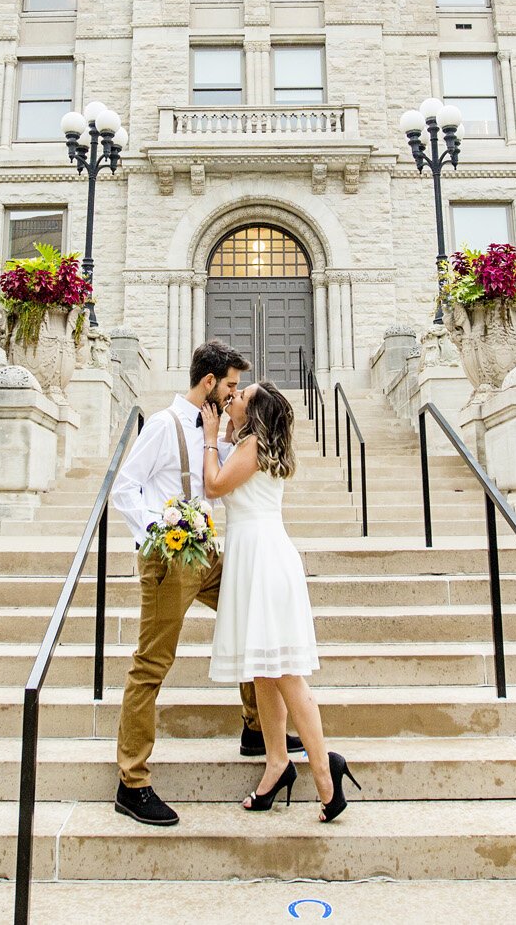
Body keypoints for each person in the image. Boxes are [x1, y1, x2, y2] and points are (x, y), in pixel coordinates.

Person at [109, 340, 302, 828]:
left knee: (250, 618)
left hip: (210, 555)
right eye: (232, 386)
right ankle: (131, 783)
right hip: (170, 561)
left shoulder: (223, 431)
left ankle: (258, 729)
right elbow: (124, 488)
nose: (236, 394)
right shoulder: (162, 425)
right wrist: (159, 531)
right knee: (151, 663)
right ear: (210, 382)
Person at [202, 380, 361, 823]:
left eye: (240, 397)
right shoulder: (250, 443)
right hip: (252, 556)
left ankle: (326, 776)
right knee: (262, 671)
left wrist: (210, 440)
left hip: (265, 561)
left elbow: (214, 487)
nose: (231, 399)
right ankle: (276, 763)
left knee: (287, 674)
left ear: (253, 414)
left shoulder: (250, 446)